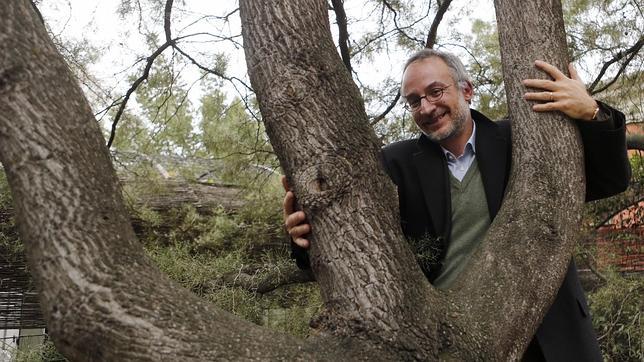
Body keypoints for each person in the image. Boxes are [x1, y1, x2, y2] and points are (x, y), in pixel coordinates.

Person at [283, 49, 630, 361]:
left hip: (550, 333)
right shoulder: (391, 166)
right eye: (414, 101)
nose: (427, 108)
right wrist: (305, 237)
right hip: (451, 343)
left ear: (466, 90)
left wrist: (593, 113)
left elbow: (609, 180)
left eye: (436, 91)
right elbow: (350, 250)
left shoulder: (523, 140)